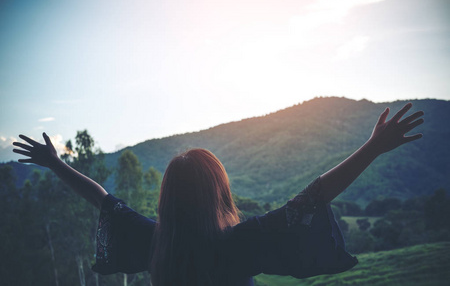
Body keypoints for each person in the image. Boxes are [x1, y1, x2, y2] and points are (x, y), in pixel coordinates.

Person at [13, 103, 424, 286]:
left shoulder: (155, 241)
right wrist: (372, 147)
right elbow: (314, 196)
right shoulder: (240, 244)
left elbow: (101, 198)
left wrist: (55, 164)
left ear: (168, 199)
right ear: (219, 194)